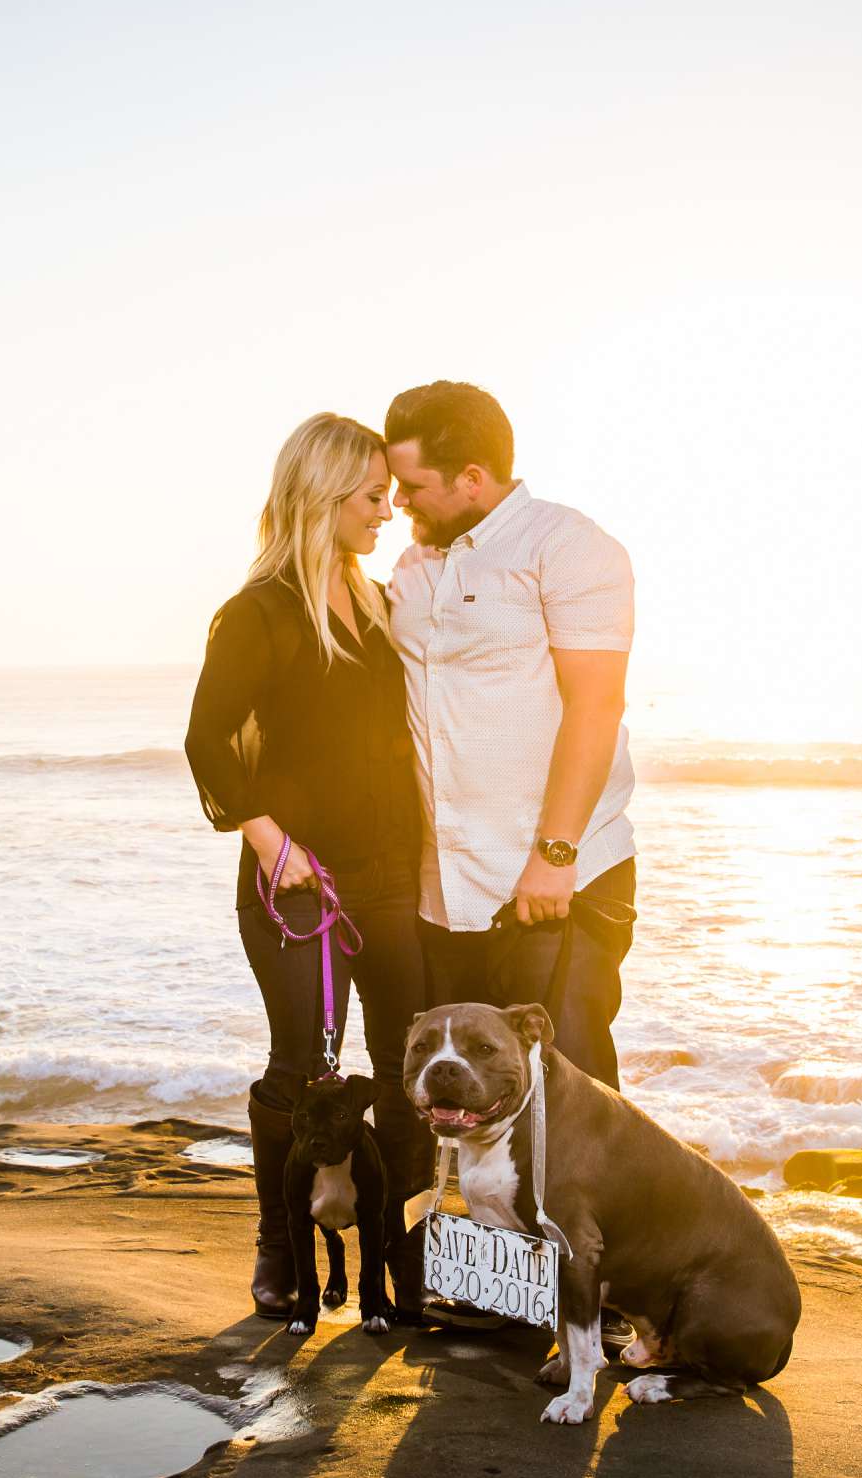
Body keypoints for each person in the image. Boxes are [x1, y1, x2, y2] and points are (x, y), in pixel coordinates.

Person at [185, 412, 433, 1322]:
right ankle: (281, 1246)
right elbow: (206, 738)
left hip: (391, 876)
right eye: (372, 497)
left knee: (405, 1070)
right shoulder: (259, 613)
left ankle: (408, 1254)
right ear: (325, 496)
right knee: (299, 1069)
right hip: (297, 885)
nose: (387, 512)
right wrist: (269, 840)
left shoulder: (375, 604)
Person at [384, 381, 639, 1088]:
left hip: (556, 877)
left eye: (412, 485)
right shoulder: (411, 567)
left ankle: (594, 1206)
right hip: (446, 890)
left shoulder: (568, 546)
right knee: (469, 1092)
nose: (399, 501)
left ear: (472, 478)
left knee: (568, 1089)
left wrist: (555, 854)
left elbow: (596, 705)